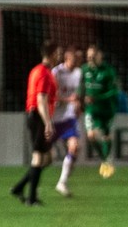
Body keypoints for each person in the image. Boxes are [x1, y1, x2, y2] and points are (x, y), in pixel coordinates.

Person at [11, 42, 61, 205]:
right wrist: (47, 122)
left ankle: (19, 187)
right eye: (58, 53)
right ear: (52, 54)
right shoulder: (44, 73)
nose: (59, 56)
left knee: (49, 158)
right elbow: (41, 100)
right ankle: (31, 199)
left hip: (37, 116)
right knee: (39, 157)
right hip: (38, 117)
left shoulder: (39, 70)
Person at [80, 43, 119, 177]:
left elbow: (113, 91)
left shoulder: (108, 71)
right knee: (91, 136)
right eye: (88, 57)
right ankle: (105, 160)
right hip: (91, 110)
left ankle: (106, 160)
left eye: (92, 56)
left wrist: (97, 98)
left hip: (107, 109)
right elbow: (81, 87)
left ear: (99, 56)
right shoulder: (84, 70)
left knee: (106, 137)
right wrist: (80, 98)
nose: (90, 59)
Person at [50, 46, 83, 197]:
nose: (76, 62)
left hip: (68, 118)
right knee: (44, 157)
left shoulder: (78, 73)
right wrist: (69, 100)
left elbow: (77, 94)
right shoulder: (56, 72)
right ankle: (29, 182)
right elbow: (52, 96)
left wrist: (77, 104)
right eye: (73, 60)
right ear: (66, 59)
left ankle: (62, 183)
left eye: (77, 60)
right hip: (53, 118)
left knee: (75, 147)